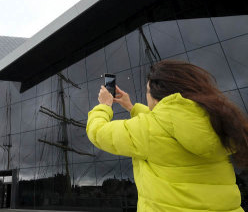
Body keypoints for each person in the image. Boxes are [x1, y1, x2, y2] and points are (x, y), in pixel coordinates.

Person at [86, 60, 248, 212]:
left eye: (148, 92)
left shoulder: (151, 130)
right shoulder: (217, 121)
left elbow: (98, 132)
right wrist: (130, 107)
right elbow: (170, 123)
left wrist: (104, 105)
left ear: (157, 98)